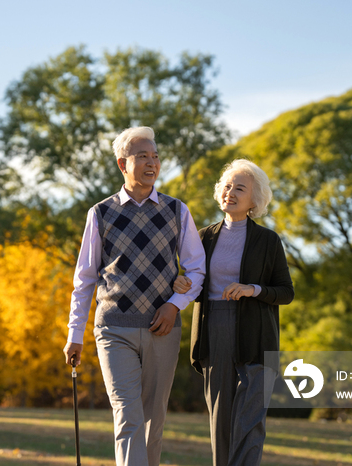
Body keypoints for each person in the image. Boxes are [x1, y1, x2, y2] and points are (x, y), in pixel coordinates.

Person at [63, 126, 205, 466]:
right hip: (113, 329)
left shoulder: (176, 211)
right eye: (142, 156)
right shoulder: (101, 213)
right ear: (121, 164)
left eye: (155, 156)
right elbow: (84, 279)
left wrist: (175, 306)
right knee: (128, 416)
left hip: (163, 329)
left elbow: (198, 270)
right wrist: (75, 335)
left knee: (153, 424)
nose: (151, 162)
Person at [173, 159, 294, 466]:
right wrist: (181, 282)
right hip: (213, 332)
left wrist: (252, 289)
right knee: (221, 421)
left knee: (249, 422)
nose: (230, 192)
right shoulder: (203, 237)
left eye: (240, 188)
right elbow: (195, 285)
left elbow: (286, 291)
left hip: (256, 337)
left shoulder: (268, 241)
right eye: (226, 186)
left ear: (255, 199)